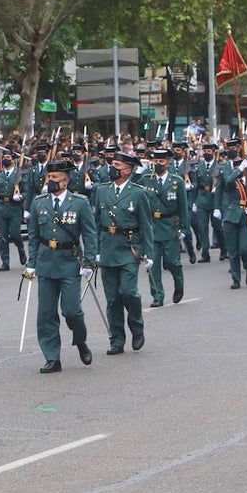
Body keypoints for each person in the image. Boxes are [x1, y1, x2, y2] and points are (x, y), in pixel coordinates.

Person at [24, 160, 97, 374]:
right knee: (46, 314)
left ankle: (80, 340)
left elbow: (89, 233)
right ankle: (52, 357)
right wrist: (31, 264)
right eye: (49, 177)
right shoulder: (38, 203)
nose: (50, 181)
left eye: (55, 177)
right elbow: (33, 236)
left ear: (66, 181)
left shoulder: (80, 203)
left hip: (69, 262)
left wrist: (89, 261)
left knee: (71, 311)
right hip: (46, 262)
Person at [91, 152, 152, 354]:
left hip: (129, 249)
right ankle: (117, 339)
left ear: (128, 170)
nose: (112, 168)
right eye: (112, 164)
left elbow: (146, 224)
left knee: (128, 292)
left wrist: (148, 253)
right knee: (112, 299)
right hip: (107, 248)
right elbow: (96, 223)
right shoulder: (101, 191)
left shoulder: (138, 193)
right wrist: (95, 251)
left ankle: (137, 326)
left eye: (117, 165)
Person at [140, 149, 188, 307]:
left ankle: (178, 283)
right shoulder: (146, 179)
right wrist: (137, 171)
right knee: (153, 264)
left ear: (168, 163)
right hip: (152, 226)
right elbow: (133, 189)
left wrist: (184, 228)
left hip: (170, 226)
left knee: (172, 262)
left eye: (161, 161)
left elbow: (183, 207)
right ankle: (157, 295)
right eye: (155, 161)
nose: (157, 164)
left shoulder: (177, 181)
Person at [213, 139, 247, 288]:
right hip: (230, 212)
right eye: (228, 147)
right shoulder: (224, 167)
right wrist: (216, 208)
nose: (231, 150)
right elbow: (225, 185)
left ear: (238, 148)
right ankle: (236, 279)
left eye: (234, 147)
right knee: (232, 250)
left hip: (245, 213)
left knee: (245, 248)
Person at [0, 151, 26, 270]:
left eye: (8, 157)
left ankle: (21, 249)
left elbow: (26, 191)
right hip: (2, 207)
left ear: (13, 160)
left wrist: (20, 197)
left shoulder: (19, 175)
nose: (5, 159)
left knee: (15, 234)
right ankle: (5, 262)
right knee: (3, 237)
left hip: (15, 207)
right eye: (4, 157)